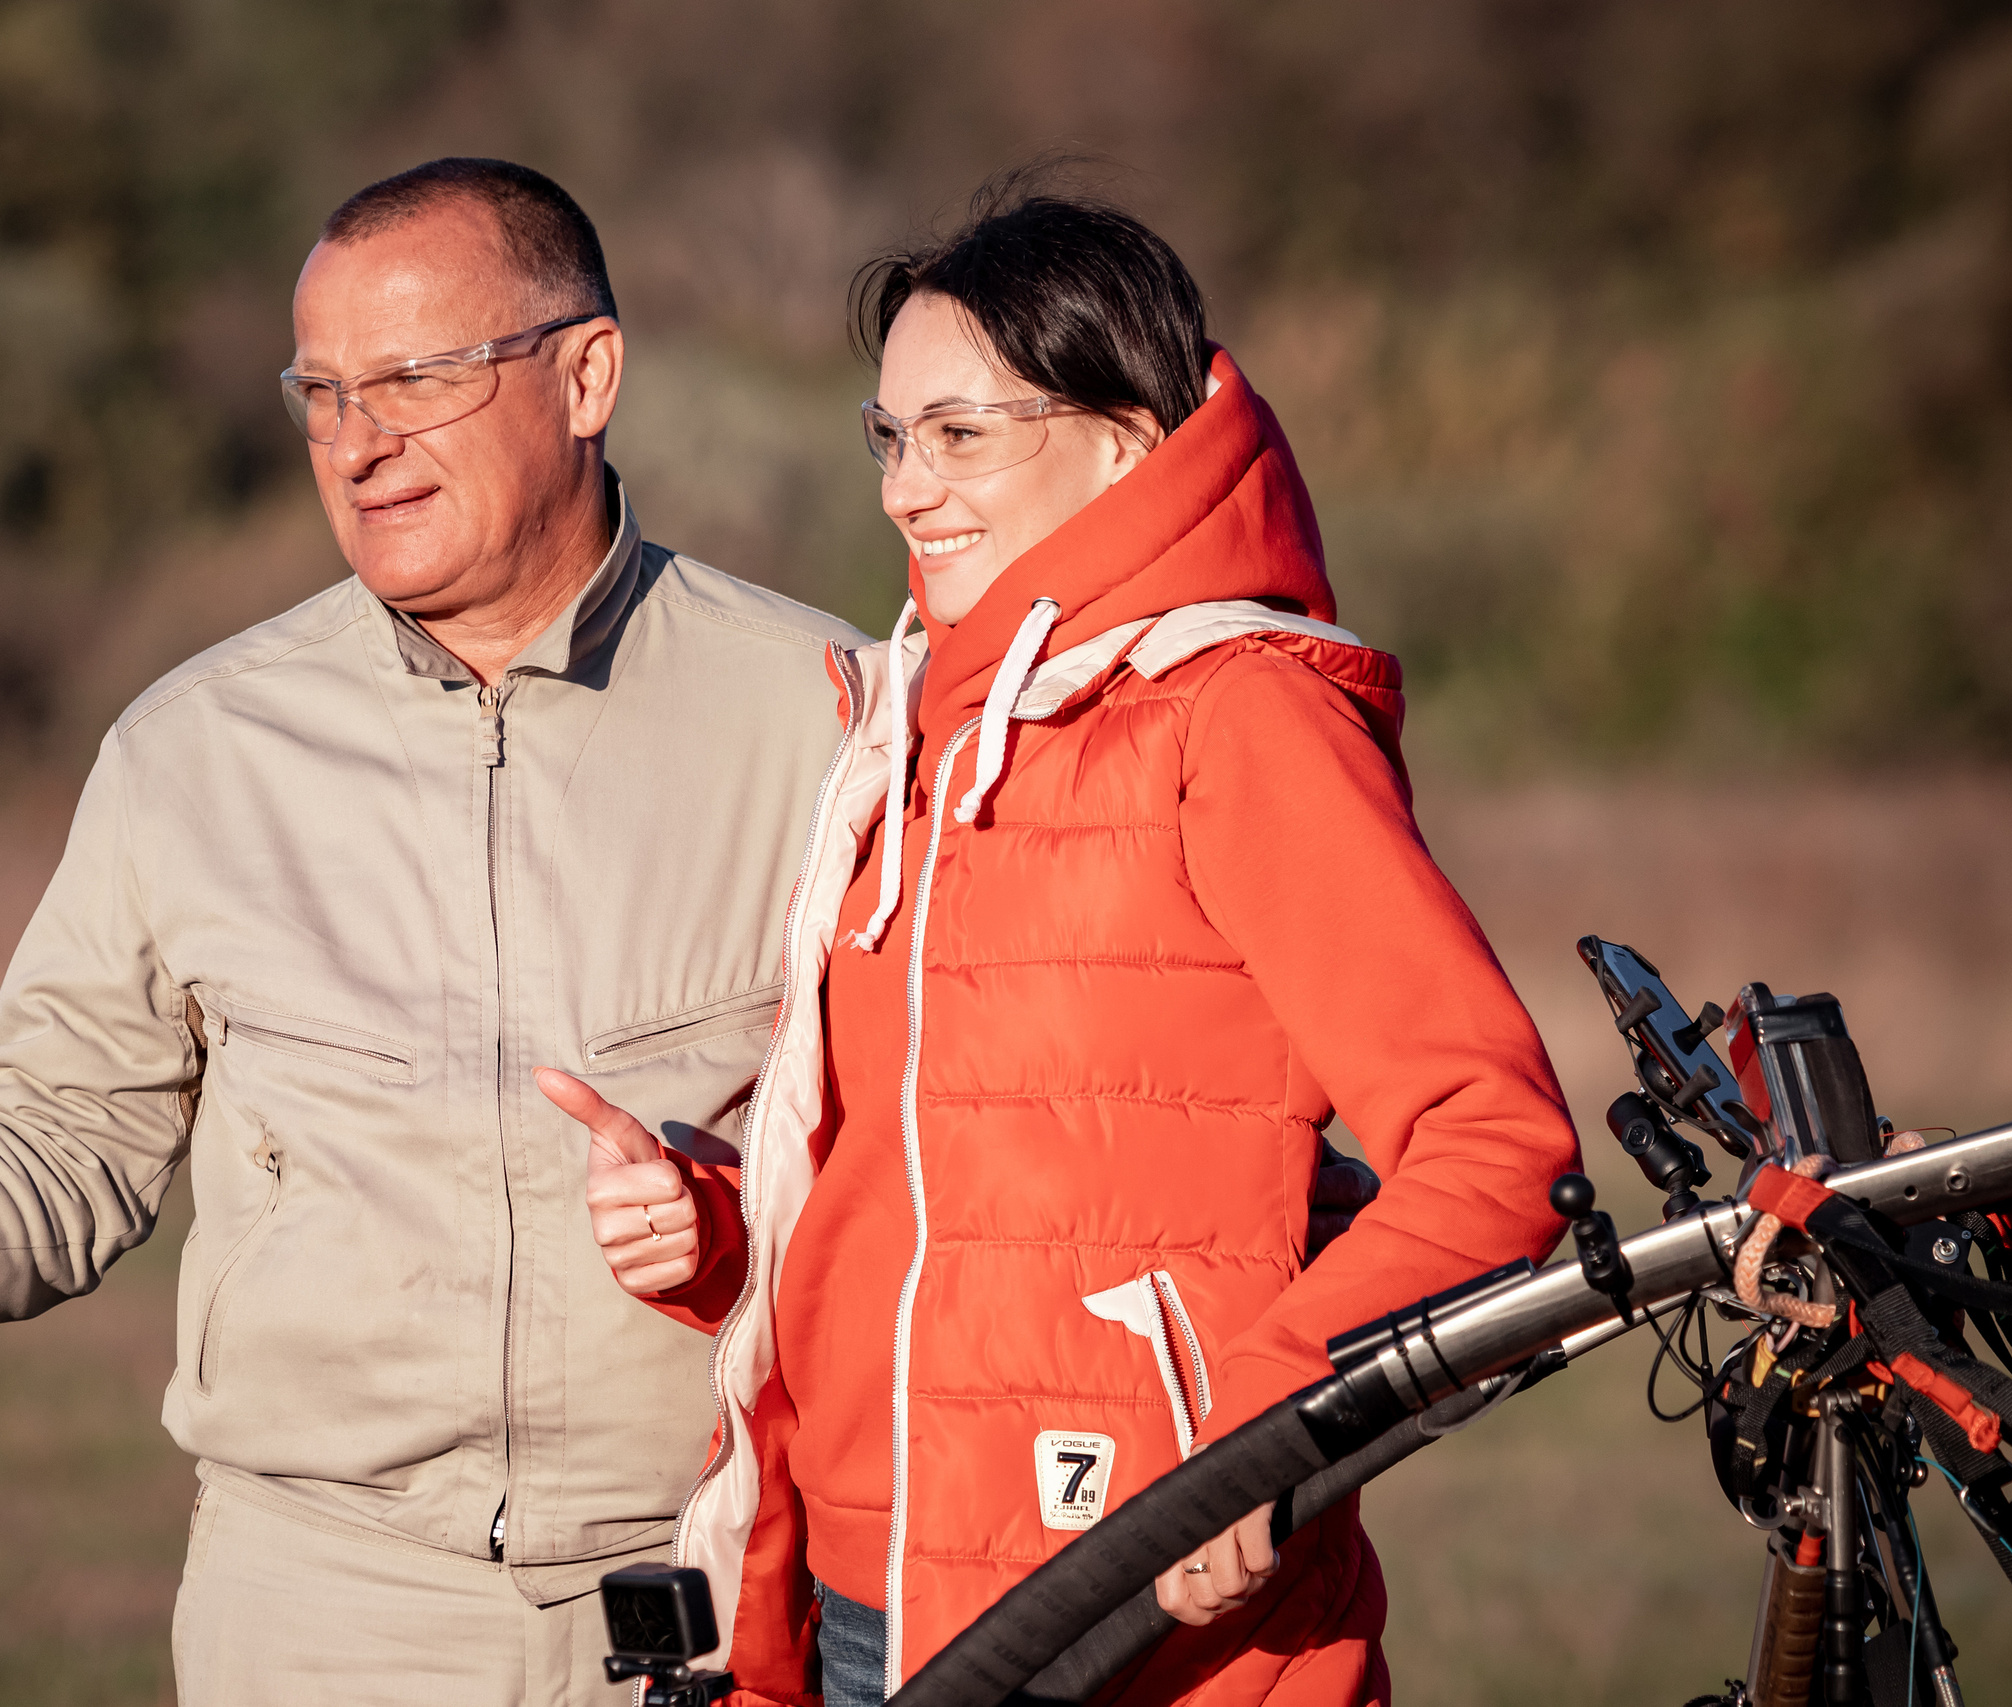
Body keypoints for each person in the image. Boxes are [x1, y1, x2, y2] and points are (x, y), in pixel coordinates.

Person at [0, 158, 878, 1707]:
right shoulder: (192, 752)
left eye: (417, 377)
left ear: (588, 374)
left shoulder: (839, 723)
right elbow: (52, 1160)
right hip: (318, 1623)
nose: (360, 442)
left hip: (718, 1601)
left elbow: (942, 1179)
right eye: (322, 393)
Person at [546, 183, 1581, 1705]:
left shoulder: (1240, 718)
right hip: (860, 1596)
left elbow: (1496, 1144)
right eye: (889, 437)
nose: (907, 490)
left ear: (1126, 441)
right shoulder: (914, 737)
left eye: (962, 434)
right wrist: (711, 1219)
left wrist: (1265, 1426)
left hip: (1136, 1616)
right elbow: (932, 1186)